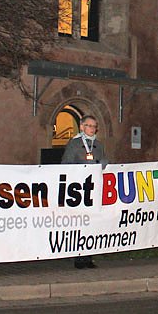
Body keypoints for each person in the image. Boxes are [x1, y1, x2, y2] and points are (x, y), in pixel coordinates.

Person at [61, 113, 108, 268]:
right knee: (79, 223)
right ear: (82, 127)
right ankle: (78, 257)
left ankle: (88, 256)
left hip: (93, 189)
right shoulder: (74, 144)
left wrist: (102, 163)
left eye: (94, 126)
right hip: (78, 189)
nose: (92, 129)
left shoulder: (98, 145)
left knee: (91, 223)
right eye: (89, 126)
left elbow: (104, 160)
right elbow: (66, 165)